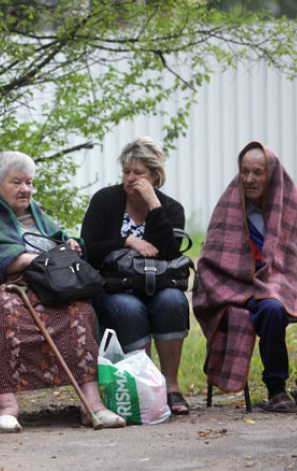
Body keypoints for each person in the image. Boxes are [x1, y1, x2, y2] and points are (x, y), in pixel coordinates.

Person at [0, 151, 125, 432]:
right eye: (17, 182)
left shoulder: (34, 211)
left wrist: (70, 246)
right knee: (1, 313)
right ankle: (7, 408)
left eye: (29, 182)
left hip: (44, 285)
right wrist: (48, 257)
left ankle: (92, 406)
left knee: (81, 311)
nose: (25, 189)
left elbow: (57, 240)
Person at [80, 136, 190, 415]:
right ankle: (145, 386)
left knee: (173, 302)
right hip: (115, 288)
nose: (131, 178)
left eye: (139, 173)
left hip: (160, 285)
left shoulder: (171, 209)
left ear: (155, 175)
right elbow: (88, 250)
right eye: (127, 172)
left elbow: (168, 253)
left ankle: (171, 387)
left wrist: (153, 204)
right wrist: (126, 241)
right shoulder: (105, 200)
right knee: (128, 308)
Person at [193, 141, 297, 412]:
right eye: (245, 172)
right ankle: (276, 388)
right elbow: (212, 258)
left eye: (258, 172)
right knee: (271, 308)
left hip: (289, 283)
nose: (250, 179)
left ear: (272, 175)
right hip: (242, 288)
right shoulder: (229, 206)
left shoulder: (293, 205)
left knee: (278, 300)